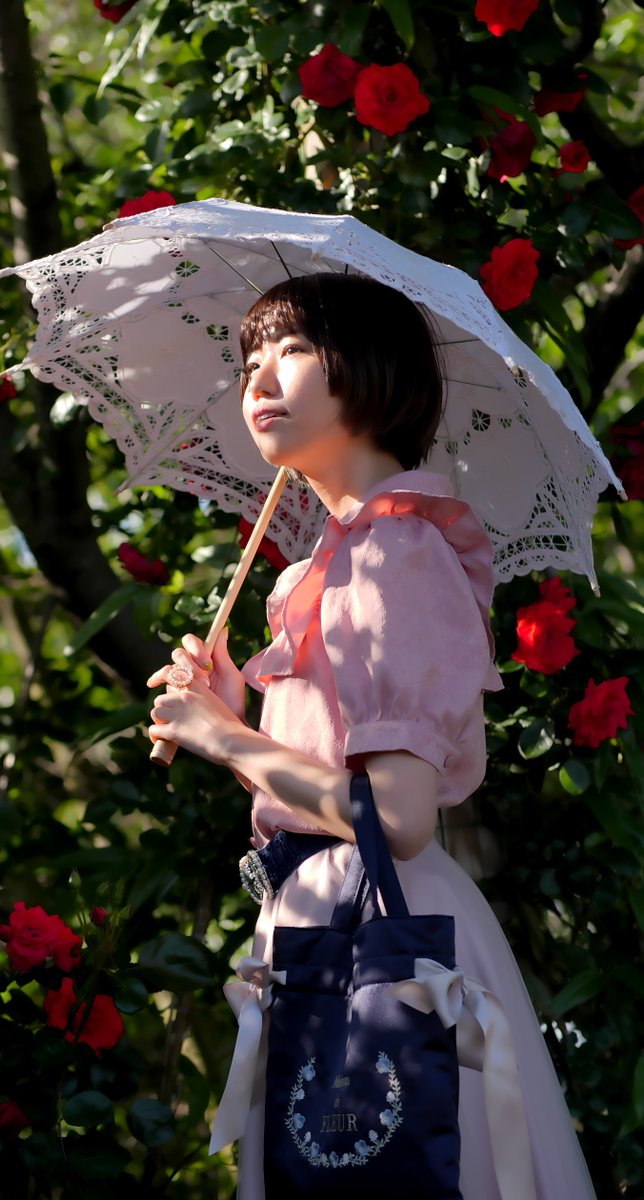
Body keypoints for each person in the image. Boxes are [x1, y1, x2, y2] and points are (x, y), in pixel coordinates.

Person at [146, 275, 597, 1200]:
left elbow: (394, 816)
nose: (260, 377)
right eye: (249, 359)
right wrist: (236, 716)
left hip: (381, 936)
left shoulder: (396, 552)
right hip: (327, 922)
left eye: (294, 350)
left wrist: (226, 742)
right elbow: (323, 801)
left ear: (372, 371)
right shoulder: (339, 560)